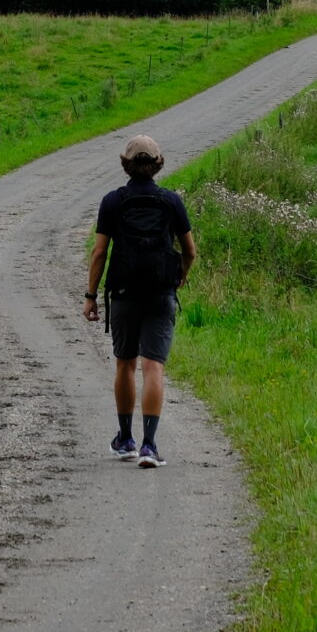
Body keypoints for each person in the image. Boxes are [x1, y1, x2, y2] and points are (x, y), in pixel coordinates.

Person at [82, 133, 196, 468]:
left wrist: (90, 296)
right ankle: (149, 446)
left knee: (125, 364)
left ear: (126, 165)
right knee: (153, 366)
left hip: (124, 293)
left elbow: (99, 253)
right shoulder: (171, 201)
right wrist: (180, 275)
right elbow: (190, 251)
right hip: (161, 293)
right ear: (158, 164)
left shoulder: (112, 201)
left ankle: (125, 439)